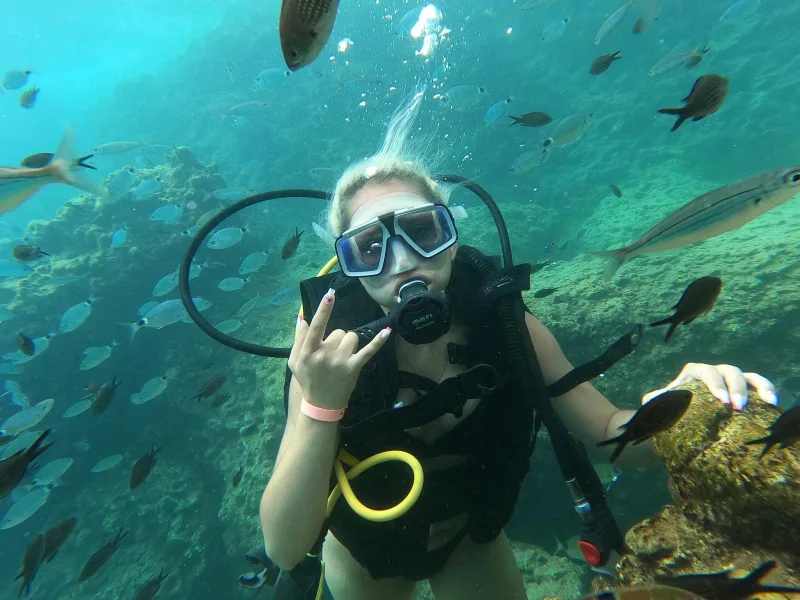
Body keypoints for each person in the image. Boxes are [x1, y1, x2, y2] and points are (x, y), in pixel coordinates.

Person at [258, 93, 778, 600]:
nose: (402, 260)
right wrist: (320, 403)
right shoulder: (327, 356)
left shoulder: (504, 325)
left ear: (453, 238)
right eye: (370, 248)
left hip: (470, 542)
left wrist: (685, 405)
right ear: (349, 268)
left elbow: (608, 432)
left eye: (422, 231)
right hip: (366, 556)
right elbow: (284, 546)